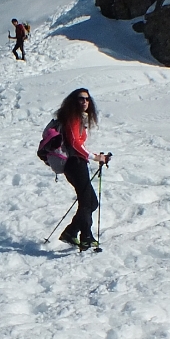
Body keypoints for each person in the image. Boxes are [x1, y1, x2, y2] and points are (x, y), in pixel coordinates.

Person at [55, 88, 110, 250]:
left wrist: (95, 156)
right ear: (74, 101)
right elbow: (74, 144)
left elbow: (79, 146)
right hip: (74, 164)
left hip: (77, 163)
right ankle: (85, 236)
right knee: (87, 202)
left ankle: (71, 232)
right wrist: (94, 157)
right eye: (81, 99)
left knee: (91, 202)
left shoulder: (79, 119)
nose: (84, 102)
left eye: (87, 99)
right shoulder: (73, 118)